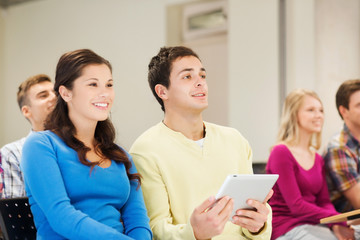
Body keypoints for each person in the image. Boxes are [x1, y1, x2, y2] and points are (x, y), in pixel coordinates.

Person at [129, 46, 272, 240]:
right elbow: (155, 228)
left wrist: (258, 226)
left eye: (202, 76)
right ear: (162, 91)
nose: (200, 83)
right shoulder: (145, 150)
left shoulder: (235, 139)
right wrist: (194, 233)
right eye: (187, 77)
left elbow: (255, 220)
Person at [20, 49, 152, 240]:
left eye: (109, 85)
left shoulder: (120, 155)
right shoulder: (41, 145)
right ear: (65, 93)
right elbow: (61, 217)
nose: (104, 93)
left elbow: (138, 220)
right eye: (93, 84)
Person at [266, 89, 354, 240]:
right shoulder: (280, 153)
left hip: (314, 225)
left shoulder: (317, 158)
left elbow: (324, 201)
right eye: (311, 110)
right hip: (287, 228)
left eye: (321, 110)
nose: (318, 115)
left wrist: (335, 224)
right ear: (294, 115)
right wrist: (338, 218)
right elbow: (296, 205)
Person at [0, 74, 56, 198]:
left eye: (55, 92)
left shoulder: (78, 145)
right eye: (43, 95)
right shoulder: (12, 153)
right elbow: (16, 213)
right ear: (26, 111)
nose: (54, 97)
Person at [324, 79, 360, 213]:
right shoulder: (338, 148)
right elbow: (358, 202)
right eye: (359, 105)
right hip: (348, 224)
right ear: (344, 111)